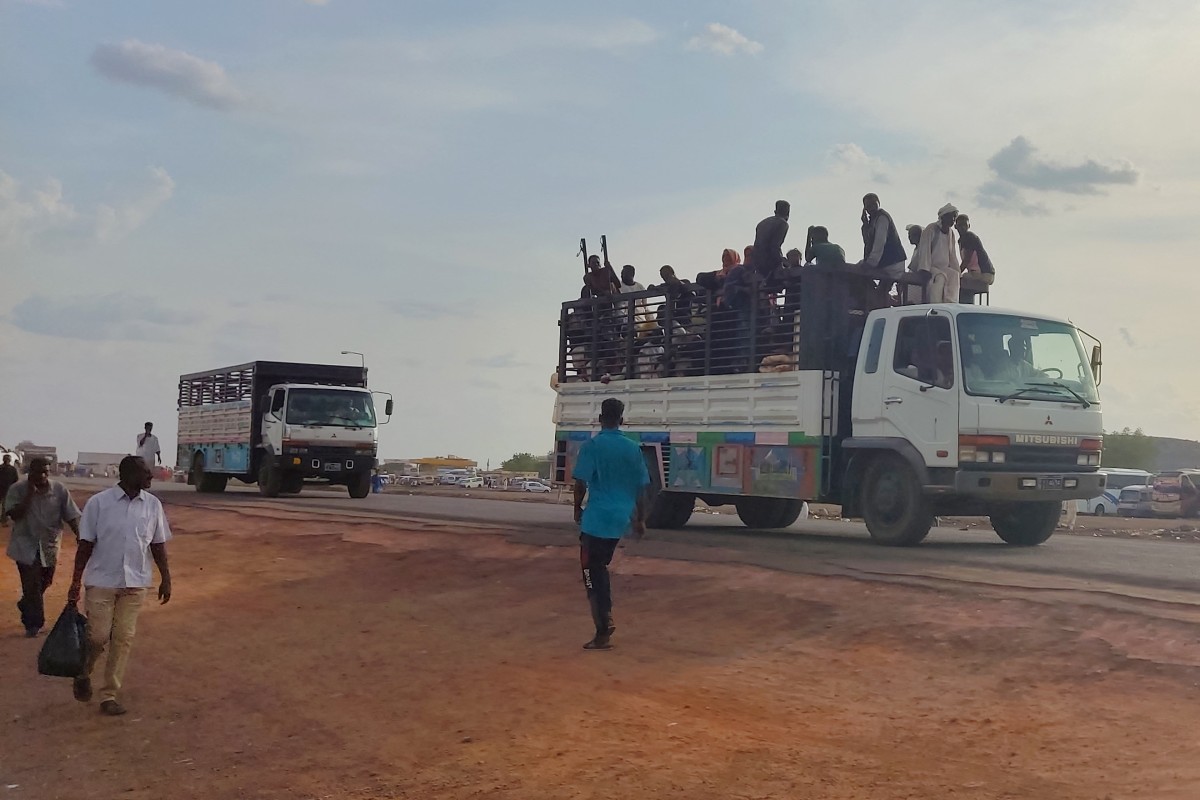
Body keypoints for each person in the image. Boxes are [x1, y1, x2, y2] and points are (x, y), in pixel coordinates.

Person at [67, 455, 172, 717]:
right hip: (102, 582)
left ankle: (109, 695)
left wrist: (166, 577)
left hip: (135, 583)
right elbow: (85, 546)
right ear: (127, 475)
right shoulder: (99, 504)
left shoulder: (152, 505)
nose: (151, 476)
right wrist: (75, 582)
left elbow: (157, 545)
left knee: (123, 638)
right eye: (145, 472)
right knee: (97, 637)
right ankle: (83, 672)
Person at [571, 398, 649, 651]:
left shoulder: (592, 446)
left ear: (600, 419)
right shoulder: (633, 448)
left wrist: (576, 508)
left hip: (597, 519)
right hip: (621, 518)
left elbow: (580, 483)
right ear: (622, 420)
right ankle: (604, 620)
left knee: (590, 573)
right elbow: (642, 489)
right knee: (600, 567)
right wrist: (639, 519)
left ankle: (603, 628)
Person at [3, 457, 82, 637]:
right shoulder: (17, 489)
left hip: (49, 545)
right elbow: (14, 515)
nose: (43, 476)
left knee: (45, 581)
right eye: (39, 472)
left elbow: (70, 515)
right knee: (32, 584)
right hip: (24, 544)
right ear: (30, 473)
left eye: (46, 471)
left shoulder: (59, 490)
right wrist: (30, 494)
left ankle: (26, 603)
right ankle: (34, 624)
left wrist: (79, 535)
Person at [914, 204, 962, 304]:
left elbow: (952, 254)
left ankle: (951, 302)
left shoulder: (951, 233)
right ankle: (935, 304)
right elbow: (925, 249)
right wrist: (925, 268)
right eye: (951, 216)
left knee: (954, 275)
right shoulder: (931, 228)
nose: (953, 220)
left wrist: (958, 271)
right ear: (943, 216)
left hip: (943, 267)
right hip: (930, 266)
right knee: (940, 277)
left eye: (954, 217)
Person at [856, 193, 908, 281]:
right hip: (884, 263)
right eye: (868, 206)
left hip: (891, 264)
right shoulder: (873, 221)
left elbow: (879, 243)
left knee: (859, 274)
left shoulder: (882, 218)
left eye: (873, 204)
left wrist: (870, 263)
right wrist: (865, 225)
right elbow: (867, 242)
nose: (871, 208)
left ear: (878, 203)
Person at [954, 214, 995, 303]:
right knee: (961, 278)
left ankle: (961, 303)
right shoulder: (961, 240)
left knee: (959, 280)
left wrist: (956, 273)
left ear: (969, 226)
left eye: (965, 225)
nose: (963, 227)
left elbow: (966, 260)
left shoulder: (970, 237)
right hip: (980, 273)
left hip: (985, 273)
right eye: (960, 225)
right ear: (955, 226)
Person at [749, 201, 790, 276]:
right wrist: (782, 261)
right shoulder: (782, 223)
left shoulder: (762, 223)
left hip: (756, 262)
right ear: (787, 213)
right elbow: (774, 246)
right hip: (768, 262)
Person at [0, 454, 18, 523]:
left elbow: (15, 480)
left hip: (6, 489)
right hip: (6, 489)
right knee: (4, 506)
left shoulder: (12, 469)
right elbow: (16, 480)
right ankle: (3, 520)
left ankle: (3, 520)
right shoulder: (12, 469)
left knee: (5, 506)